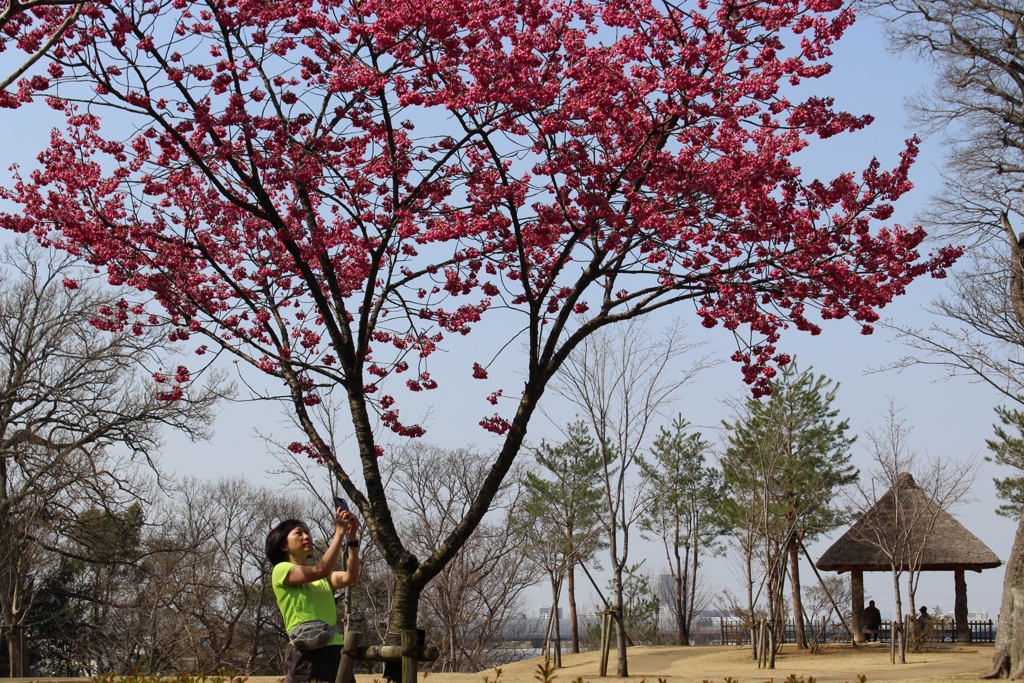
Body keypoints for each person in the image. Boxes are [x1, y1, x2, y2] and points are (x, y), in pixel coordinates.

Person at [266, 504, 361, 683]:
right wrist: (339, 532)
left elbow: (351, 577)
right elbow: (321, 569)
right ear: (284, 545)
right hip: (305, 652)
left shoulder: (321, 577)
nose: (306, 536)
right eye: (298, 533)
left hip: (336, 649)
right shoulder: (281, 570)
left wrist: (352, 540)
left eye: (307, 532)